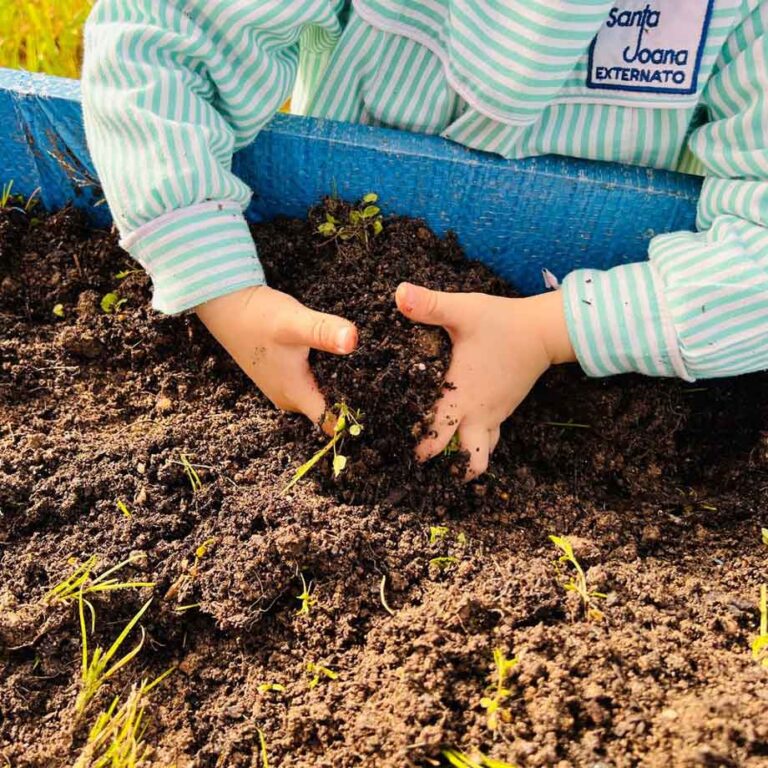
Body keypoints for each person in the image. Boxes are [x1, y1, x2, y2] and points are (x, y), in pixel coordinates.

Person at [81, 0, 768, 479]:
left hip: (600, 280)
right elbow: (163, 32)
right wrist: (224, 289)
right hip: (341, 227)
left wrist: (550, 331)